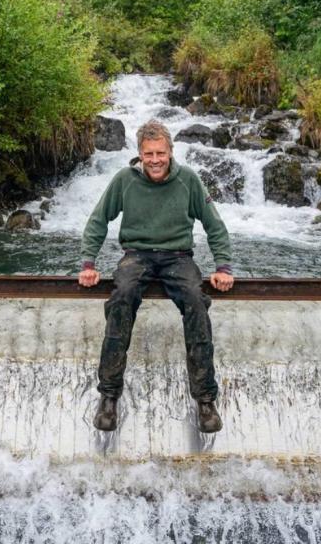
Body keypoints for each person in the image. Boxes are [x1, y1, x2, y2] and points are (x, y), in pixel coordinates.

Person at [78, 119, 234, 434]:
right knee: (121, 298)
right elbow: (98, 220)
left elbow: (214, 225)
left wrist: (223, 267)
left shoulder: (189, 180)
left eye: (160, 153)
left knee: (195, 301)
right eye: (148, 154)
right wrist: (88, 263)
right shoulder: (125, 179)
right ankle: (109, 396)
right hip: (136, 255)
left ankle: (205, 399)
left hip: (178, 257)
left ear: (170, 152)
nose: (155, 160)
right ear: (140, 154)